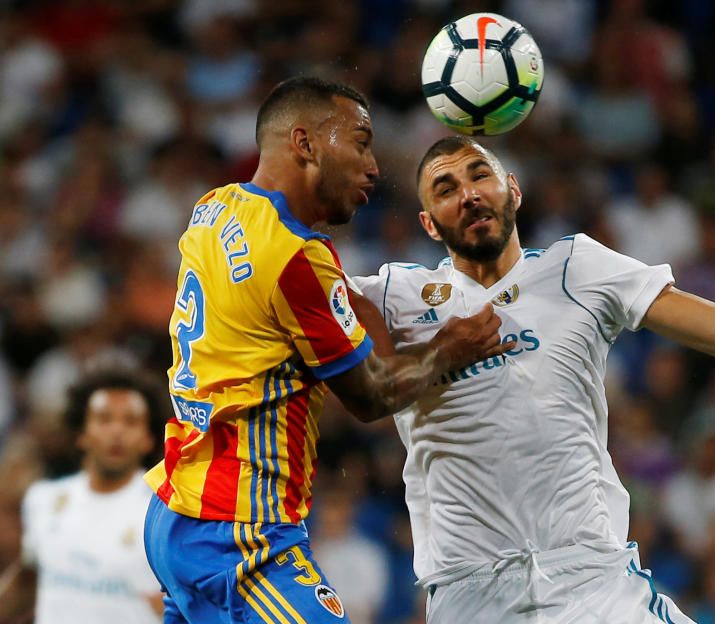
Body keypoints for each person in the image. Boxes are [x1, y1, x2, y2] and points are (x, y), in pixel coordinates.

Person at [352, 135, 715, 623]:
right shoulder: (394, 296)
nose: (469, 194)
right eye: (446, 189)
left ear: (513, 189)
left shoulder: (577, 268)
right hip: (470, 592)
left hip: (591, 580)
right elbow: (305, 309)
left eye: (480, 175)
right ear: (430, 224)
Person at [142, 78, 511, 624]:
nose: (374, 166)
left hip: (177, 506)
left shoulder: (215, 207)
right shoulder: (296, 256)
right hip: (240, 531)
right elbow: (370, 395)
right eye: (360, 142)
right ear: (305, 143)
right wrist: (449, 349)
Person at [0, 370, 163, 623]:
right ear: (82, 433)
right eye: (104, 419)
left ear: (148, 439)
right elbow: (27, 579)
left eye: (130, 421)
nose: (116, 431)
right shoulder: (43, 500)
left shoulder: (162, 512)